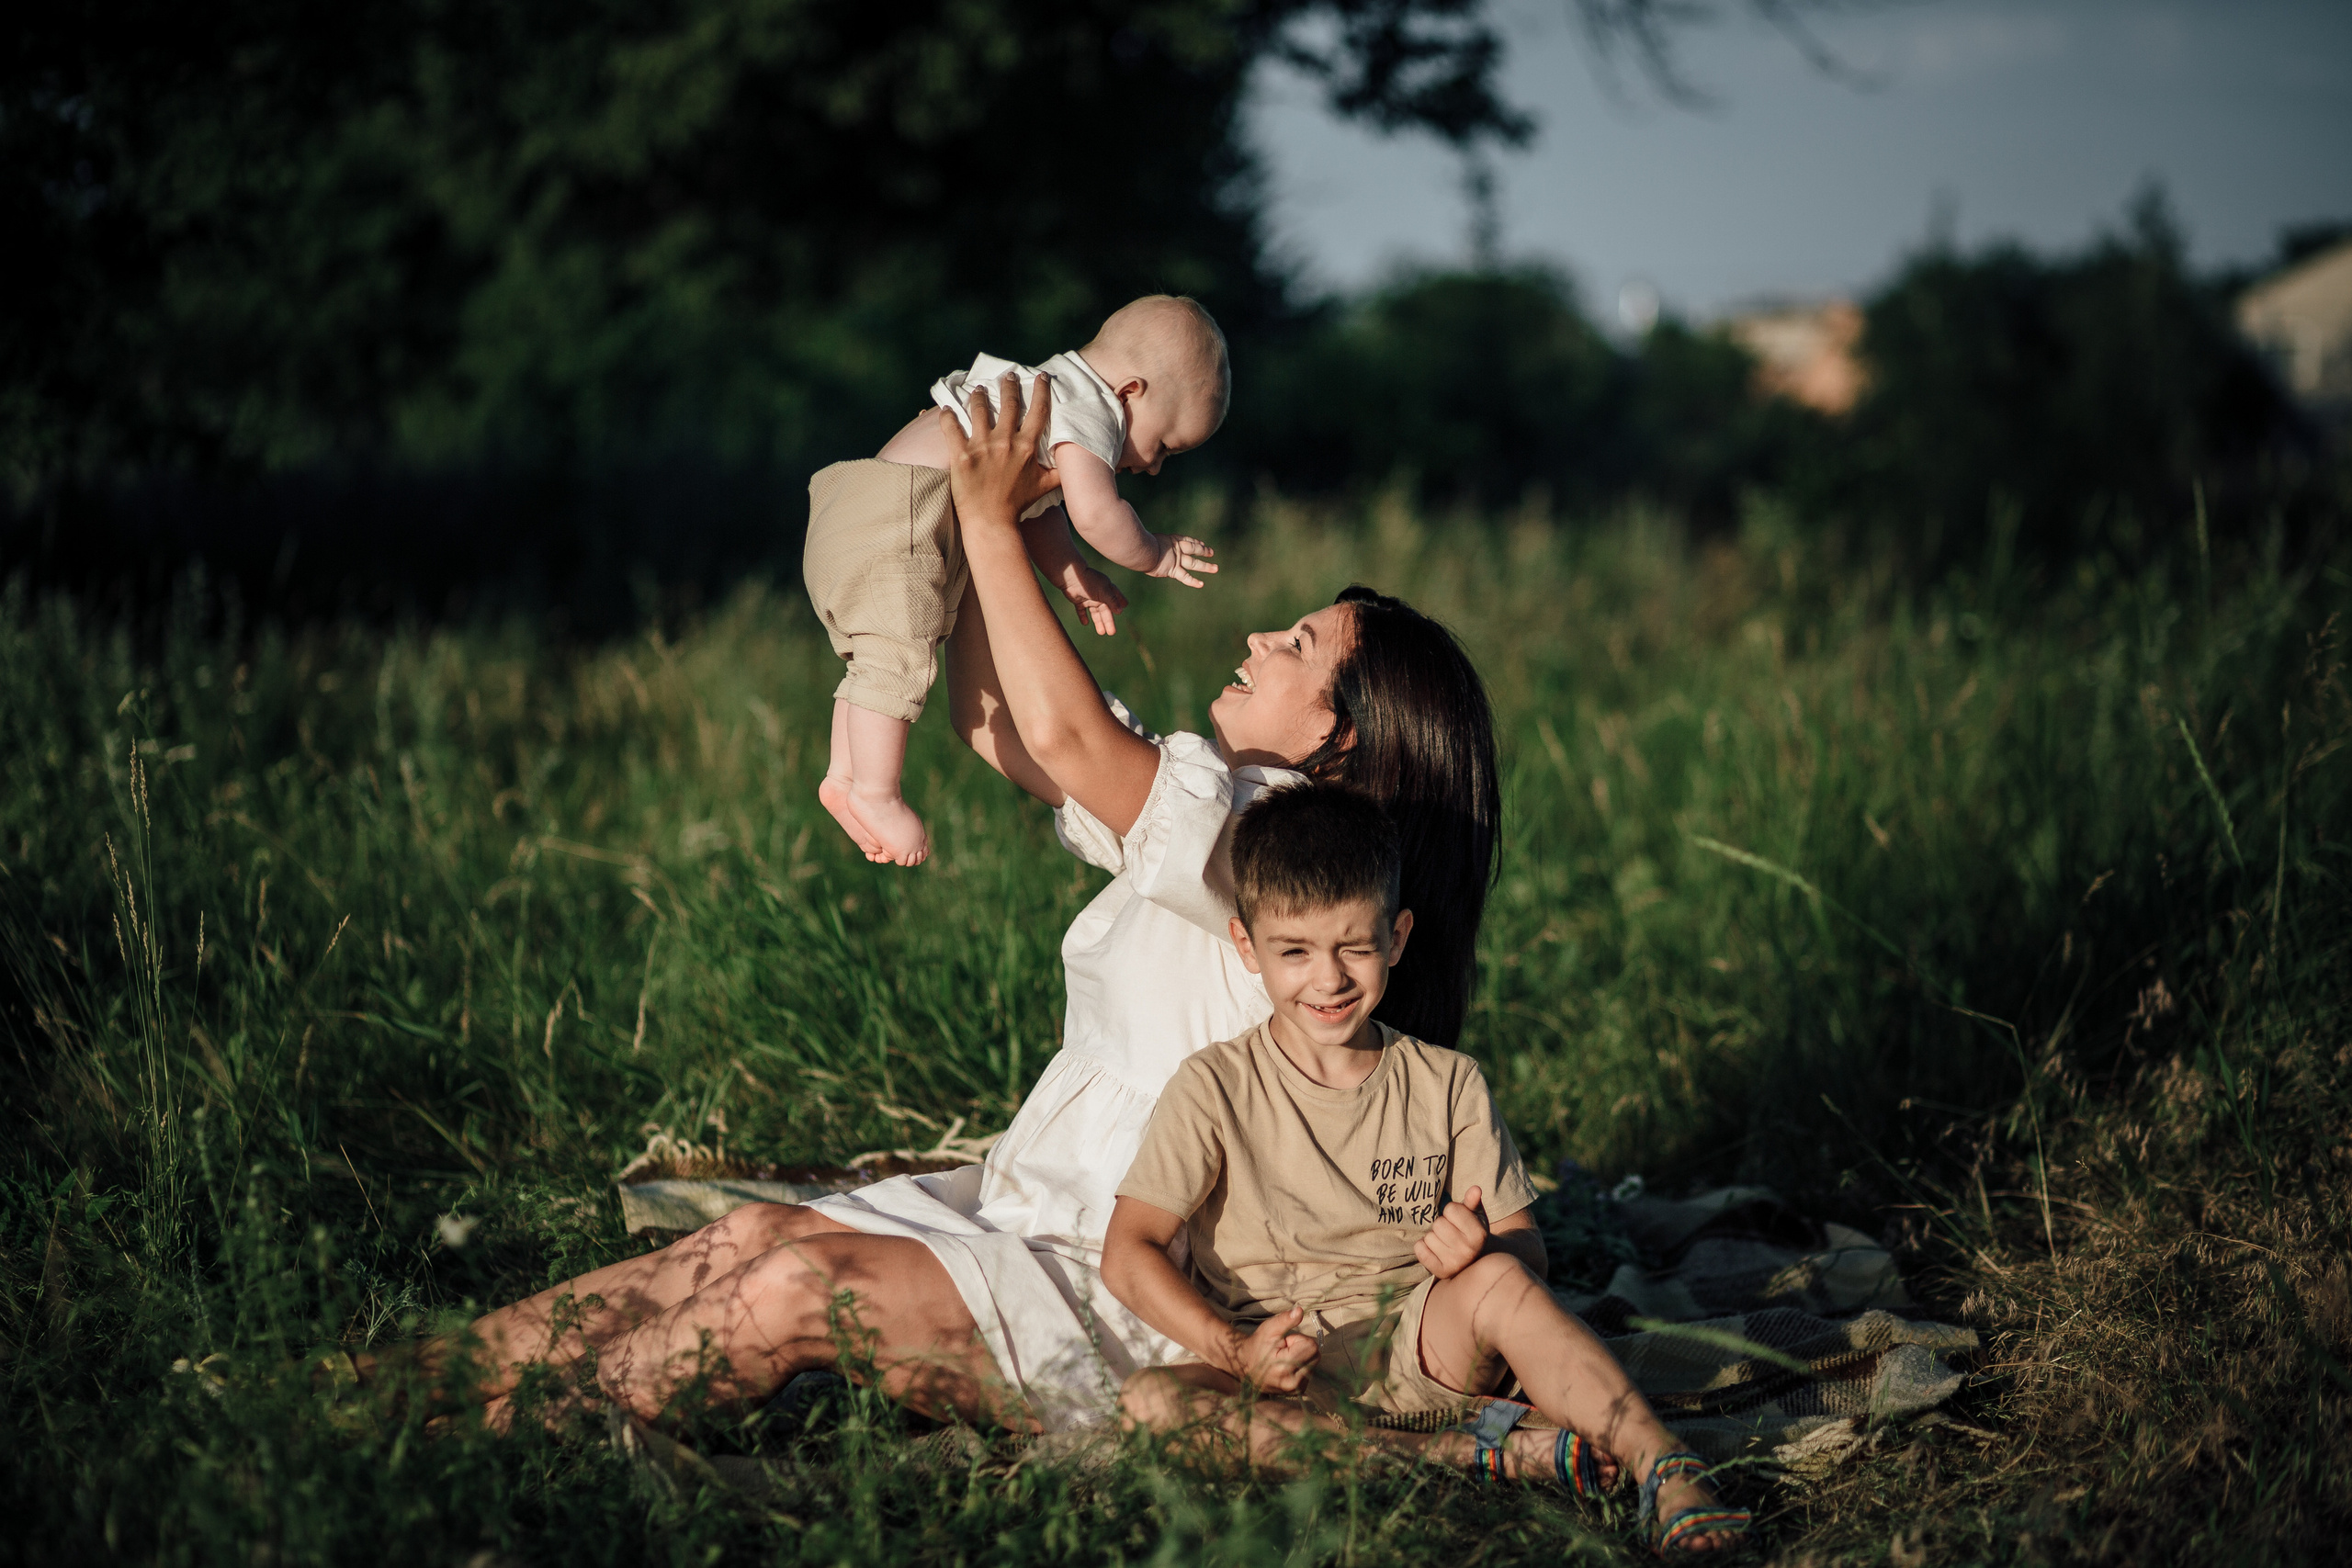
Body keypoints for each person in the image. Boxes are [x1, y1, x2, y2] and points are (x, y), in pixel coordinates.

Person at [424, 369, 1503, 1446]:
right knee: (748, 1236)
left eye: (1299, 648)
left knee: (799, 1285)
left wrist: (992, 522)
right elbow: (1012, 733)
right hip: (1031, 1208)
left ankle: (485, 1449)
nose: (1262, 638)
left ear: (1344, 741)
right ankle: (390, 1379)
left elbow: (1072, 739)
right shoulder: (1225, 809)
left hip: (1133, 1291)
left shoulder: (1288, 849)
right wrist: (1015, 521)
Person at [1102, 783, 1751, 1555]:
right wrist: (1232, 1350)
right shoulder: (1213, 1086)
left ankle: (1666, 1467)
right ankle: (1478, 1455)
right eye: (1295, 951)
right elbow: (1129, 1250)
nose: (1330, 978)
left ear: (1397, 935)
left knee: (1502, 1284)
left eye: (1355, 946)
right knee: (1149, 1405)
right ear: (1247, 946)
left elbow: (1525, 1256)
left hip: (1422, 1348)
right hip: (1273, 1372)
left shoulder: (1447, 1082)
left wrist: (1479, 1254)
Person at [808, 295, 1225, 867]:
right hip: (898, 510)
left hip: (858, 505)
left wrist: (1074, 575)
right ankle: (878, 792)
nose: (1152, 467)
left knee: (875, 655)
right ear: (1131, 391)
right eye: (1164, 446)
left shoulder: (1050, 398)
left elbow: (1037, 513)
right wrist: (1154, 553)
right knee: (898, 659)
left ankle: (845, 776)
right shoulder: (1087, 412)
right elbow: (1095, 514)